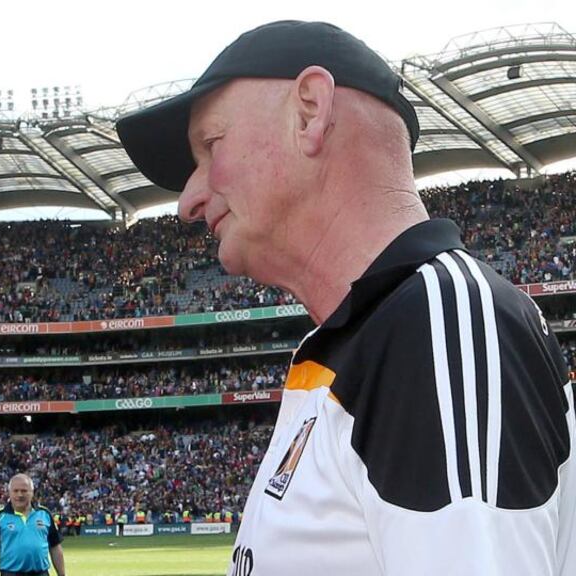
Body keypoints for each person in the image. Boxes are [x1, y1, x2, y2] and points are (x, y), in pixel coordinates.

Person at [118, 20, 574, 576]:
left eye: (211, 145)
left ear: (310, 110)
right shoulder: (370, 339)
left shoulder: (438, 319)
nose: (188, 200)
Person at [0, 474, 66, 576]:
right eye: (16, 491)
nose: (19, 495)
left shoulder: (44, 514)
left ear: (32, 492)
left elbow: (55, 547)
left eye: (24, 491)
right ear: (9, 493)